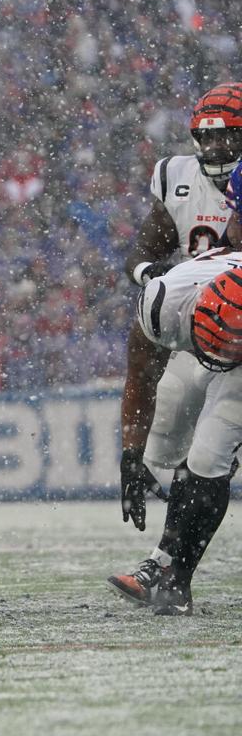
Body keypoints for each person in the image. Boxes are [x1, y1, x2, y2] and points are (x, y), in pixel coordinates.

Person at [109, 83, 242, 606]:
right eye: (204, 140)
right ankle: (168, 572)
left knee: (211, 453)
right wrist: (130, 452)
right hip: (202, 331)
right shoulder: (161, 310)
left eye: (225, 137)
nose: (214, 150)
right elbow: (140, 369)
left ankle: (168, 574)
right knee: (183, 454)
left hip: (229, 331)